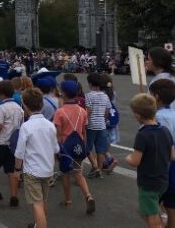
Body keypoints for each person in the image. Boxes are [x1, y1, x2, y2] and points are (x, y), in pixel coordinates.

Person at [125, 94, 175, 228]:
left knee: (150, 215)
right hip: (163, 180)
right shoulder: (165, 130)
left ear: (137, 115)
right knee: (147, 211)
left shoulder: (142, 135)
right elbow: (173, 156)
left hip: (148, 182)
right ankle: (161, 221)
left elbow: (135, 161)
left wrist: (127, 158)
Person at [14, 87, 60, 228]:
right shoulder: (50, 125)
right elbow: (56, 148)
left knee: (37, 204)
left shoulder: (26, 126)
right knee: (43, 200)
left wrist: (17, 169)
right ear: (42, 104)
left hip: (32, 171)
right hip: (47, 170)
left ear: (25, 106)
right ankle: (37, 224)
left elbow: (19, 152)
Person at [53, 80, 95, 214]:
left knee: (65, 174)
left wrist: (56, 149)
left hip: (65, 147)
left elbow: (58, 134)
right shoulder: (82, 111)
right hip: (78, 145)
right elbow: (84, 131)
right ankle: (88, 196)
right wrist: (85, 147)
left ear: (63, 94)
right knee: (78, 172)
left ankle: (67, 200)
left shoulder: (59, 112)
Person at [149, 79, 175, 228]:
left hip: (163, 168)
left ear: (157, 97)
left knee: (149, 208)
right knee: (172, 206)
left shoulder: (159, 117)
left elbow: (160, 145)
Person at [0, 80, 23, 207]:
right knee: (11, 171)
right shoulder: (19, 108)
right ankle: (14, 196)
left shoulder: (1, 108)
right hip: (13, 145)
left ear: (1, 94)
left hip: (1, 142)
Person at [146, 47, 175, 128]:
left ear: (157, 62)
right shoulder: (171, 79)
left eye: (149, 59)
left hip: (164, 125)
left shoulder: (161, 82)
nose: (146, 62)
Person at [85, 73, 111, 179]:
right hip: (102, 125)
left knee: (87, 147)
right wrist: (103, 120)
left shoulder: (88, 96)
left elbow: (88, 111)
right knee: (100, 149)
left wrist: (85, 123)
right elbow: (107, 110)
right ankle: (99, 169)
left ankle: (94, 166)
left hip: (91, 126)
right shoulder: (105, 96)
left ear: (90, 83)